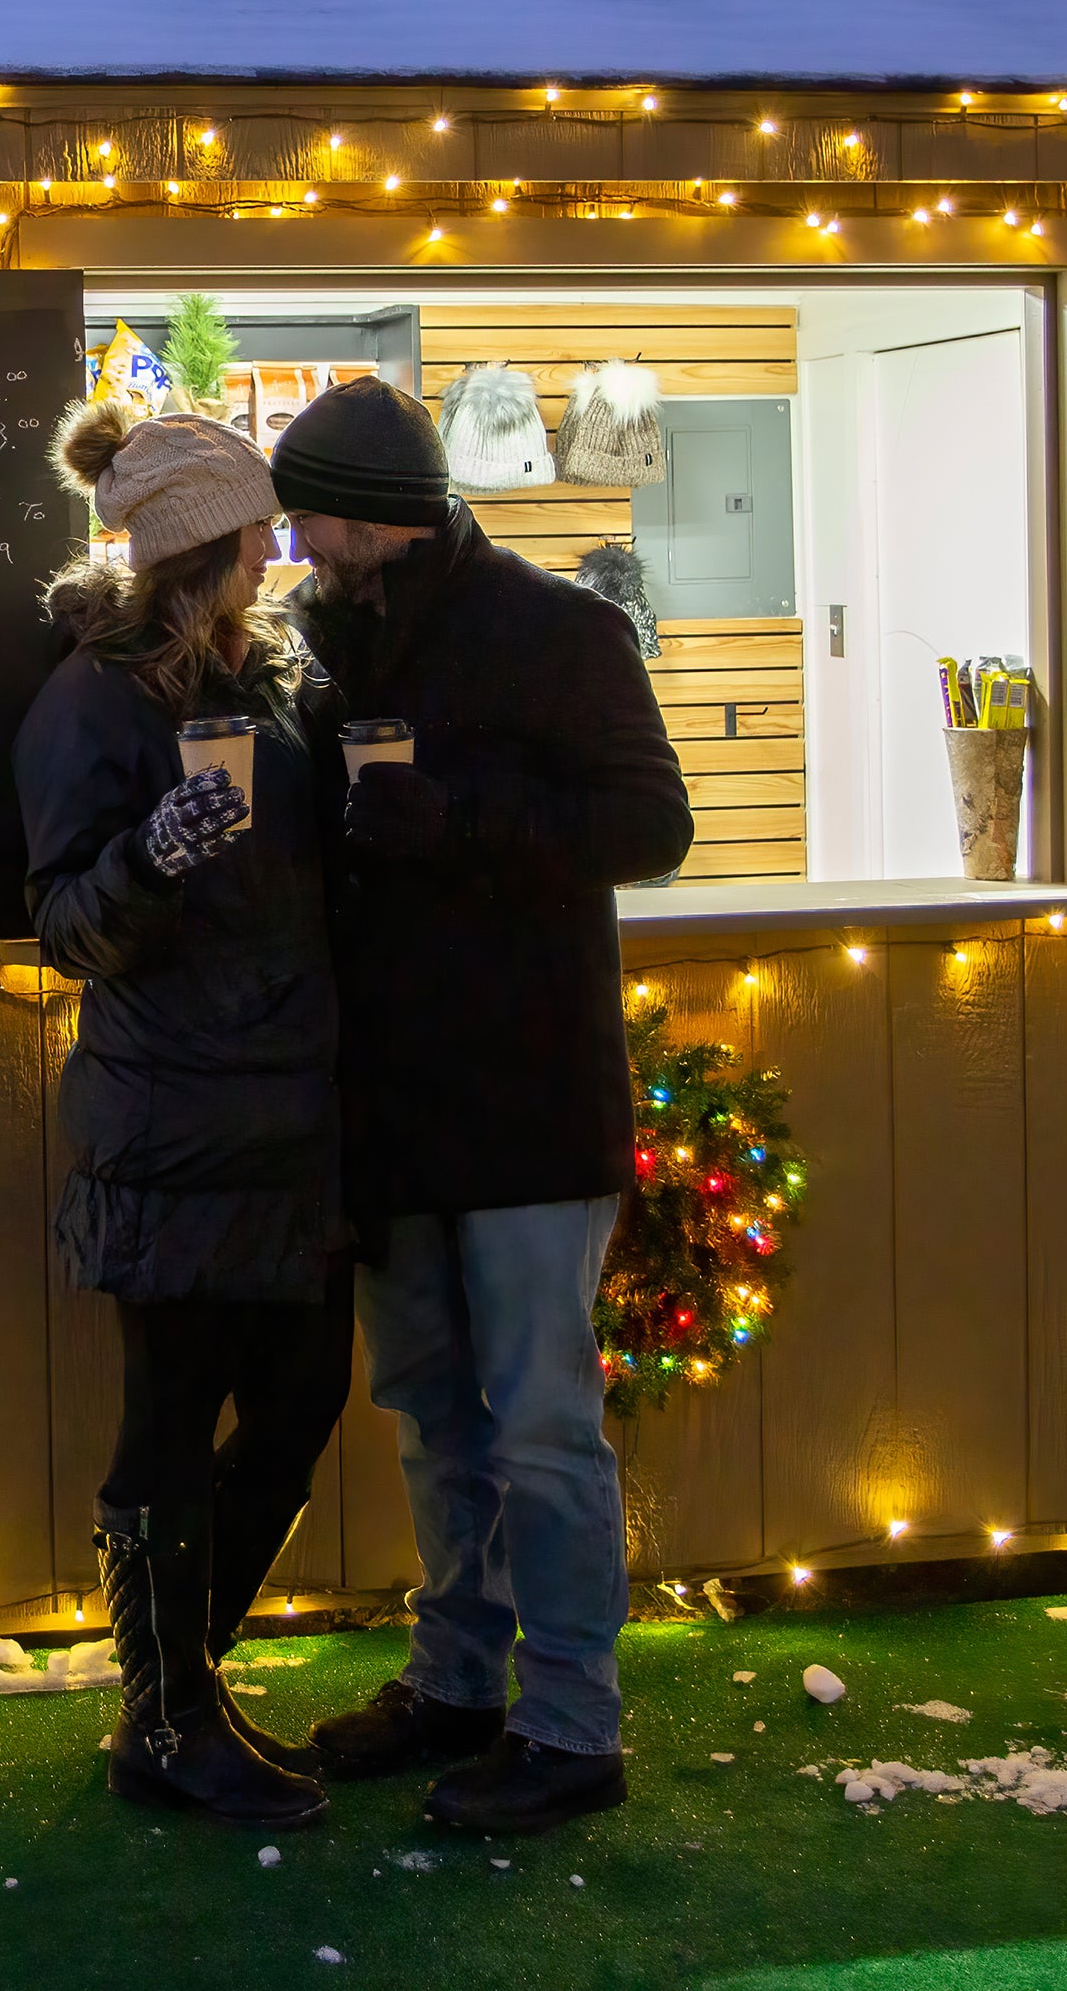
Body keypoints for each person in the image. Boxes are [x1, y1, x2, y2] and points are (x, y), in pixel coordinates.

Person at [269, 374, 692, 1837]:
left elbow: (654, 827)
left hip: (525, 1101)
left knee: (542, 1426)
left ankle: (574, 1723)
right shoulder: (330, 651)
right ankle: (456, 1682)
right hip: (395, 1105)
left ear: (381, 517)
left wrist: (455, 820)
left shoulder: (557, 633)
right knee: (431, 1414)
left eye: (314, 514)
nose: (299, 543)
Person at [17, 394, 352, 1830]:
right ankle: (166, 1719)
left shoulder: (269, 678)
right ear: (193, 550)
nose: (277, 549)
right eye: (257, 531)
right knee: (170, 1418)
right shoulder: (90, 701)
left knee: (303, 1399)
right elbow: (65, 928)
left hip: (292, 1118)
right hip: (173, 1127)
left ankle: (182, 1685)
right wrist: (150, 859)